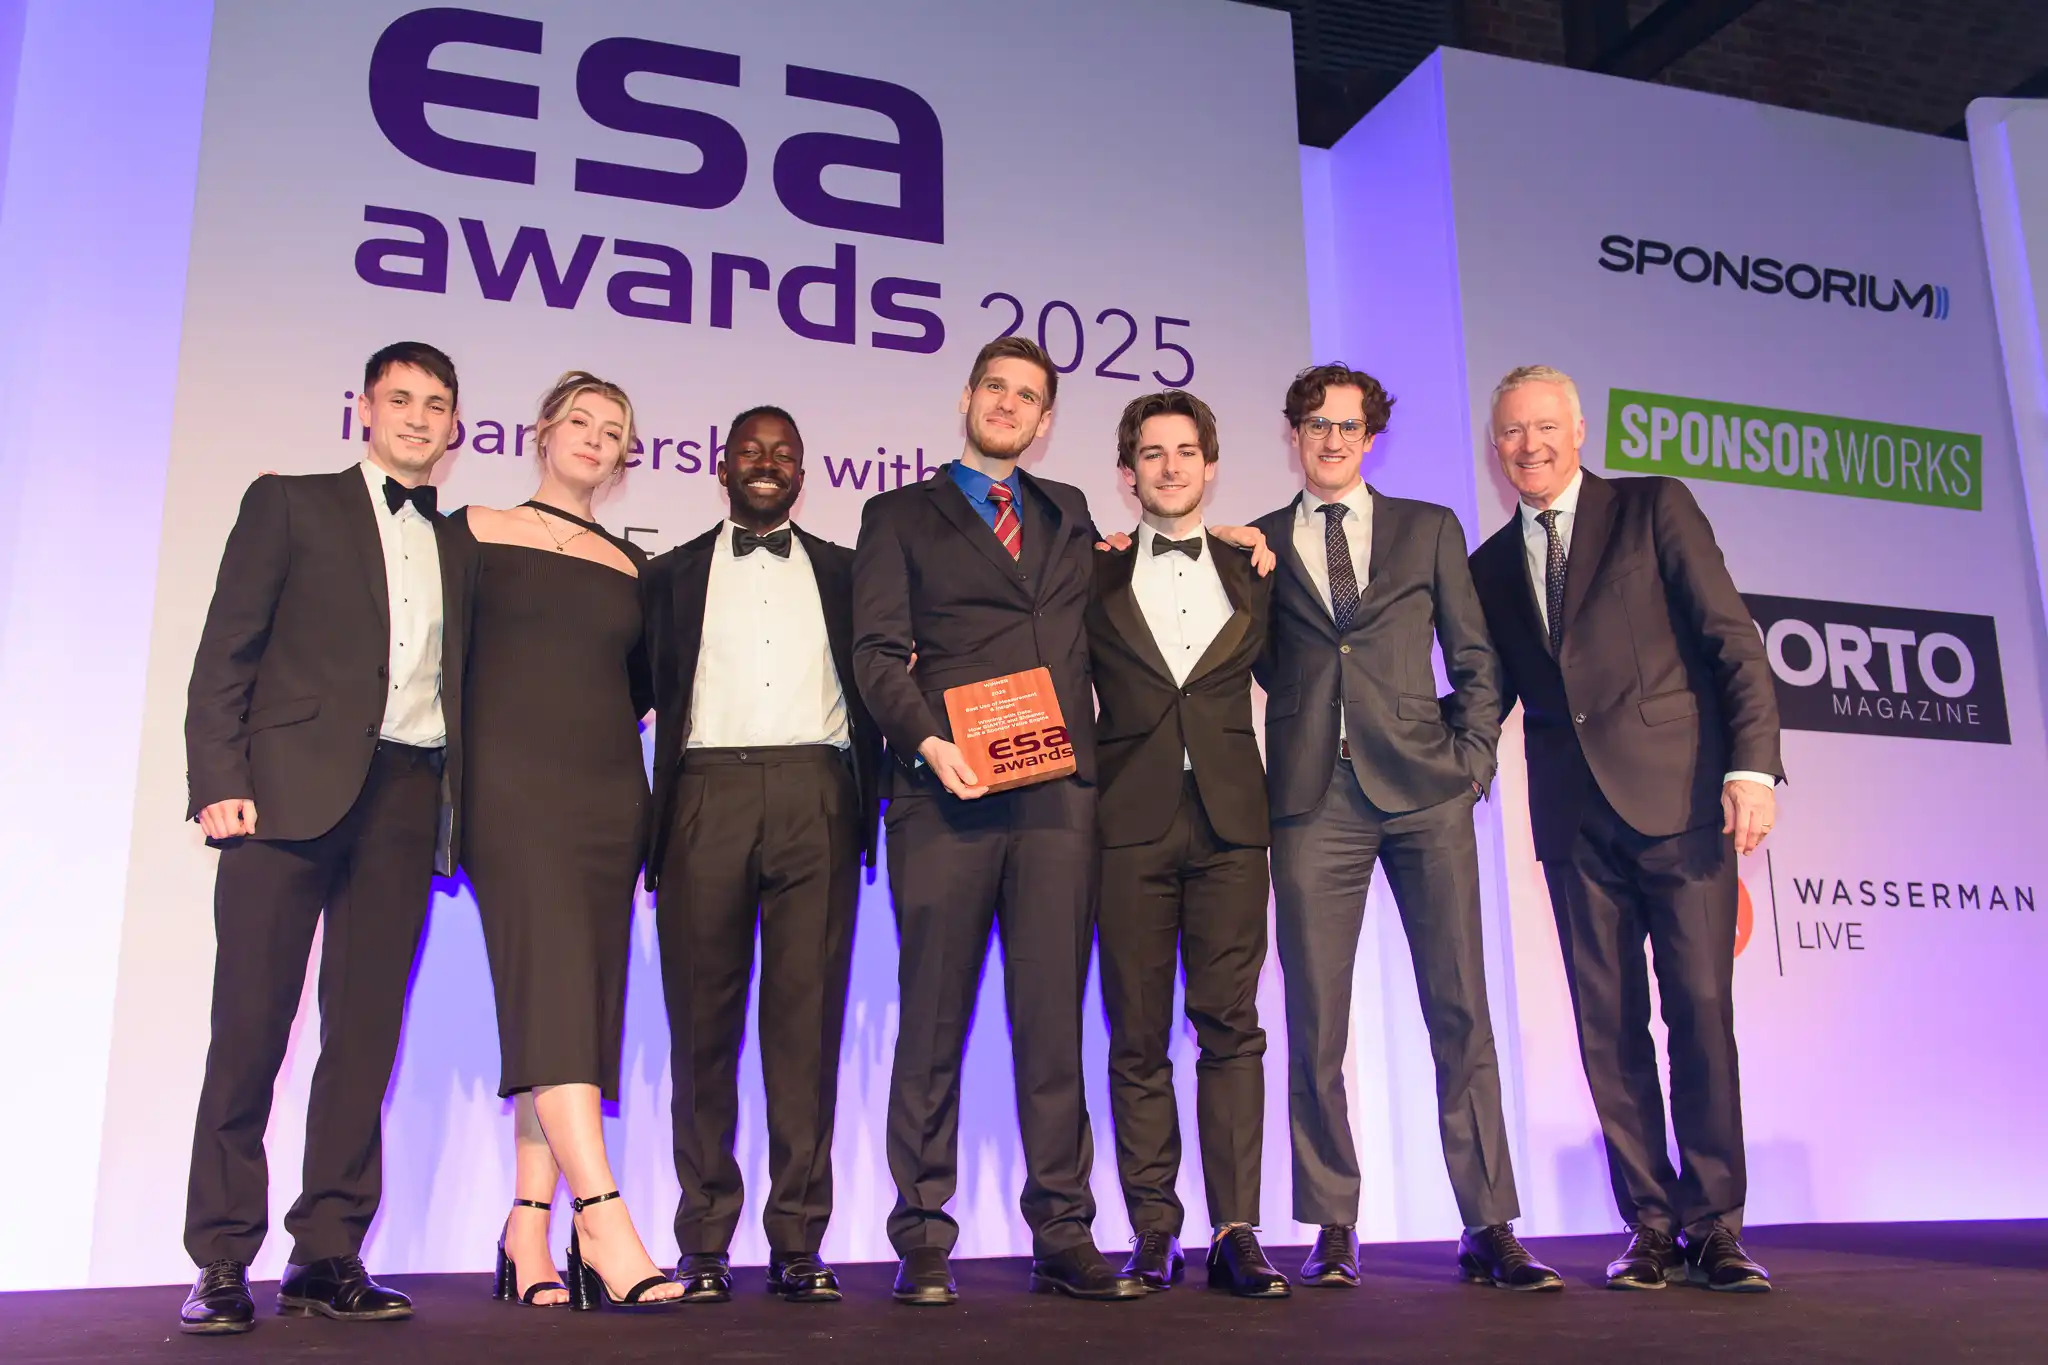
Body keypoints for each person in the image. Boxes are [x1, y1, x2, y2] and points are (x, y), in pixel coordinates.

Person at [179, 341, 478, 1333]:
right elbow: (228, 648)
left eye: (436, 405)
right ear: (363, 408)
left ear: (454, 425)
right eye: (401, 400)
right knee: (251, 1032)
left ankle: (327, 1253)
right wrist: (219, 781)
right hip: (280, 799)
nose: (418, 418)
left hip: (404, 798)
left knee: (364, 1040)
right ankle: (222, 1259)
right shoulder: (290, 503)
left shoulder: (462, 542)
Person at [1467, 365, 1781, 1293]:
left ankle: (1718, 1223)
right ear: (1497, 449)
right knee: (1606, 1029)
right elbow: (1492, 698)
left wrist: (1752, 766)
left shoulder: (1654, 508)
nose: (1529, 446)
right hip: (1571, 822)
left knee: (1699, 1012)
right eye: (1512, 434)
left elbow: (1733, 641)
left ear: (1579, 429)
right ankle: (1648, 1221)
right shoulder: (1489, 564)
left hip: (1681, 802)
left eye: (1544, 428)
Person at [1251, 362, 1562, 1292]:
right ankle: (1333, 1224)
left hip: (1426, 791)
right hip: (1313, 798)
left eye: (1348, 425)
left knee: (1459, 1008)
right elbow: (1249, 660)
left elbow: (1476, 656)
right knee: (1316, 1019)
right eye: (1316, 424)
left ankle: (1489, 1221)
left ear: (1371, 435)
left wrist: (1469, 761)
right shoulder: (1257, 543)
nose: (1332, 439)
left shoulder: (1429, 527)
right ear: (1294, 434)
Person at [851, 336, 1141, 1304]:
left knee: (1052, 1020)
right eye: (995, 388)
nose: (1009, 405)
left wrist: (1228, 541)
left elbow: (1134, 575)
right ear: (967, 398)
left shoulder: (1068, 513)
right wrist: (928, 743)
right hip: (946, 796)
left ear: (1046, 419)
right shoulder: (895, 515)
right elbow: (878, 655)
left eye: (1028, 395)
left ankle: (1062, 1231)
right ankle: (922, 1237)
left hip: (1057, 799)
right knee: (932, 1020)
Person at [641, 406, 882, 1306]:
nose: (767, 463)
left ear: (804, 470)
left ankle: (797, 1240)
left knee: (805, 1027)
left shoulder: (851, 575)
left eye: (783, 451)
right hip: (706, 795)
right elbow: (622, 692)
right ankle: (702, 1241)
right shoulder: (665, 578)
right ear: (721, 463)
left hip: (819, 794)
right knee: (702, 1032)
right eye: (751, 449)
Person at [452, 371, 681, 1311]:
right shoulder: (468, 529)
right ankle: (604, 1213)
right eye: (579, 420)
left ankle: (524, 1227)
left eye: (613, 429)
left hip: (604, 797)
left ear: (628, 455)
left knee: (574, 1004)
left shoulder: (637, 567)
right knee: (554, 989)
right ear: (542, 431)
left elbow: (643, 687)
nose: (594, 437)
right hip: (507, 787)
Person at [1084, 390, 1286, 1298]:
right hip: (1125, 824)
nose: (1170, 466)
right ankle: (1153, 1225)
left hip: (1236, 825)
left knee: (1231, 1028)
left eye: (1185, 451)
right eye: (1152, 453)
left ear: (1210, 466)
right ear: (1128, 476)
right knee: (1136, 1033)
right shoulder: (1092, 575)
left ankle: (1236, 1228)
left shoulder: (1257, 569)